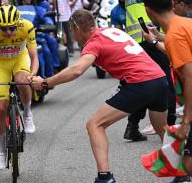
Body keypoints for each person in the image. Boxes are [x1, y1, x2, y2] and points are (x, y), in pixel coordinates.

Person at [32, 9, 168, 182]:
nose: (72, 35)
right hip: (159, 79)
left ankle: (104, 177)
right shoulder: (113, 31)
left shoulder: (93, 43)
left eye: (72, 31)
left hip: (139, 83)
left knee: (94, 125)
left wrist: (45, 83)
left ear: (76, 29)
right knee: (161, 128)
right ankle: (180, 169)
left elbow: (77, 70)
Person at [0, 4, 39, 169]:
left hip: (20, 59)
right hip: (0, 64)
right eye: (4, 29)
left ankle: (27, 113)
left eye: (12, 28)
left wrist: (32, 74)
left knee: (22, 80)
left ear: (18, 23)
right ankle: (1, 150)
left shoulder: (27, 26)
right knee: (0, 107)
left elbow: (34, 57)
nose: (8, 32)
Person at [143, 0, 192, 178]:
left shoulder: (175, 34)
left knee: (188, 163)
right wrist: (156, 40)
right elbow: (180, 53)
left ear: (148, 10)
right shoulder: (185, 24)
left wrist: (185, 122)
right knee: (187, 162)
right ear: (172, 3)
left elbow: (190, 76)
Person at [123, 0, 176, 142]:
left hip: (135, 44)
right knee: (165, 82)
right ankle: (169, 124)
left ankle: (132, 126)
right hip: (153, 37)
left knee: (142, 83)